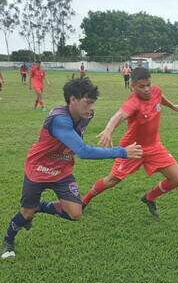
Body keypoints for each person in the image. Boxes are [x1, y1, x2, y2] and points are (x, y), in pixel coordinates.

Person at [1, 78, 143, 259]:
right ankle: (8, 242)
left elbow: (75, 139)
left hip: (62, 169)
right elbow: (83, 150)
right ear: (72, 100)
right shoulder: (59, 120)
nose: (91, 108)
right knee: (25, 212)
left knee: (75, 213)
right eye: (87, 103)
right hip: (39, 168)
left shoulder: (87, 115)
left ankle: (39, 207)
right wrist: (122, 152)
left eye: (93, 103)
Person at [82, 67, 178, 218]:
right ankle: (84, 200)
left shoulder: (155, 91)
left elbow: (160, 97)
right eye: (142, 86)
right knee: (112, 180)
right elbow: (119, 115)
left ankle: (149, 197)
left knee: (177, 178)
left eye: (148, 85)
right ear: (132, 86)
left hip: (154, 146)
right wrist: (108, 130)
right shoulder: (133, 102)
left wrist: (173, 106)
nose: (147, 89)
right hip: (132, 149)